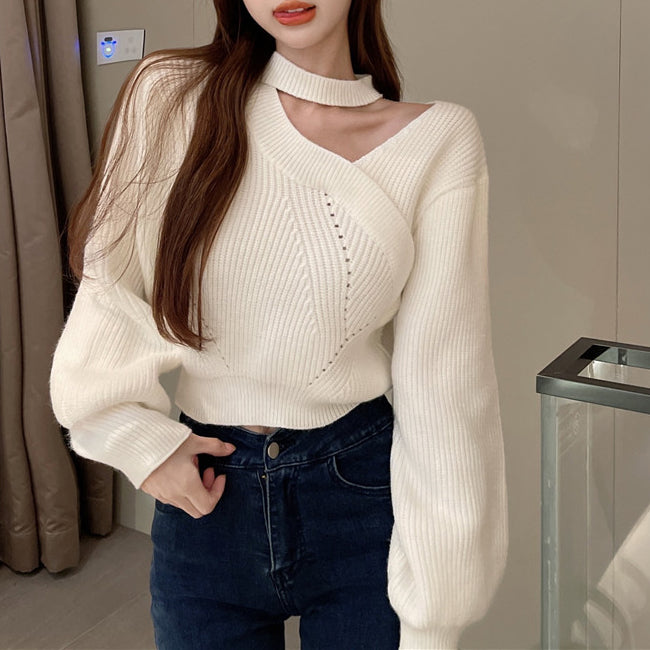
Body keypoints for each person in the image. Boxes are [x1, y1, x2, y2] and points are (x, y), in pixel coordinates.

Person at [49, 0, 509, 648]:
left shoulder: (436, 141)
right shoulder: (170, 98)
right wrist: (132, 437)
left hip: (360, 493)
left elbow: (447, 380)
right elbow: (110, 288)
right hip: (210, 498)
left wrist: (436, 616)